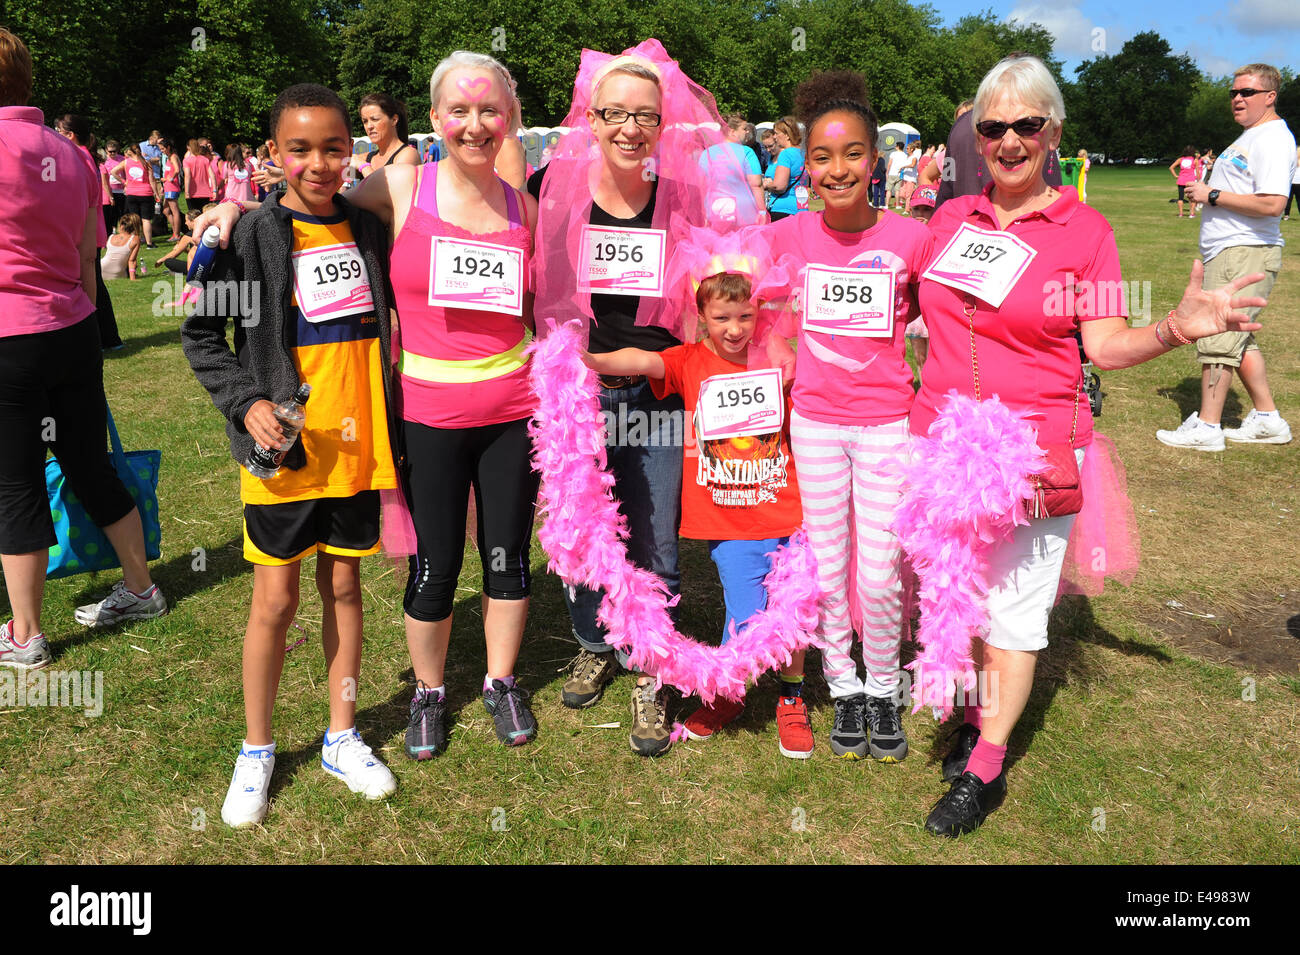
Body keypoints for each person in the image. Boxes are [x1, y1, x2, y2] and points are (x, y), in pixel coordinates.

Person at [912, 54, 1270, 836]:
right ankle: (975, 719)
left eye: (1026, 125)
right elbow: (897, 295)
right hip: (940, 450)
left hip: (1035, 450)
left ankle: (985, 767)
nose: (1008, 141)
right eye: (993, 126)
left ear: (1054, 132)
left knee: (1014, 614)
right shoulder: (949, 220)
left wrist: (1177, 329)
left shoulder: (1088, 232)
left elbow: (1103, 344)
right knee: (961, 604)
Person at [194, 51, 545, 760]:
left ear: (507, 120)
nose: (474, 124)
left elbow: (546, 307)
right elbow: (299, 214)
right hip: (400, 416)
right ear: (437, 116)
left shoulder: (525, 208)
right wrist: (233, 205)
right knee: (420, 564)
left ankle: (489, 685)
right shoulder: (398, 190)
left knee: (493, 557)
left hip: (486, 413)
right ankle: (413, 695)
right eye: (459, 109)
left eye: (489, 111)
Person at [529, 39, 760, 757]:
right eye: (615, 114)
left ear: (663, 126)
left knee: (656, 538)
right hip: (578, 398)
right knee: (584, 532)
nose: (630, 128)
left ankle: (652, 668)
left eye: (645, 117)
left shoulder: (683, 200)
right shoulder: (551, 191)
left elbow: (739, 269)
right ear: (590, 120)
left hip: (656, 392)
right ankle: (595, 640)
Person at [181, 83, 401, 828]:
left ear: (353, 150)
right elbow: (202, 335)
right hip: (284, 455)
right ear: (273, 153)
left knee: (344, 591)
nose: (318, 162)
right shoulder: (252, 235)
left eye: (334, 147)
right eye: (299, 148)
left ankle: (341, 735)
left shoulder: (369, 227)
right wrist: (248, 402)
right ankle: (257, 747)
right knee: (274, 601)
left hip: (358, 450)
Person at [763, 70, 932, 763]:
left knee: (881, 569)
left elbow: (934, 319)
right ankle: (845, 683)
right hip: (815, 424)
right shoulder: (786, 238)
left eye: (853, 153)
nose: (838, 169)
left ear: (876, 159)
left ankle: (886, 684)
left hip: (889, 420)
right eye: (823, 156)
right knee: (828, 565)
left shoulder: (911, 240)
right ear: (806, 164)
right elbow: (757, 317)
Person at [583, 260, 810, 756]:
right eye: (722, 317)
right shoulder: (687, 360)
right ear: (701, 315)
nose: (734, 329)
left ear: (761, 316)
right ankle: (730, 690)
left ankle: (791, 698)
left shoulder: (778, 360)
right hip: (728, 519)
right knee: (749, 614)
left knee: (795, 610)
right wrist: (584, 361)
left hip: (786, 507)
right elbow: (641, 362)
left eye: (745, 318)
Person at [0, 27, 166, 671]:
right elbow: (85, 259)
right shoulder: (71, 155)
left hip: (12, 337)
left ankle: (24, 633)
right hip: (71, 328)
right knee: (87, 461)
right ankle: (141, 587)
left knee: (15, 481)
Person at [1158, 63, 1295, 450]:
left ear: (1270, 97)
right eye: (1234, 92)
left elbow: (1272, 203)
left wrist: (1211, 195)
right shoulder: (1254, 136)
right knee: (1236, 333)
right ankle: (1268, 419)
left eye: (1247, 92)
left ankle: (1208, 426)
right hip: (1233, 250)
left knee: (1217, 332)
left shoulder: (1270, 138)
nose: (1237, 98)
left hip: (1243, 252)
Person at [55, 114, 122, 350]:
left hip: (86, 231)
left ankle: (101, 338)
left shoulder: (77, 157)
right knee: (94, 282)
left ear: (70, 135)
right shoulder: (85, 157)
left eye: (58, 131)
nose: (54, 135)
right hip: (90, 230)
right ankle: (108, 338)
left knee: (90, 283)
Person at [934, 94, 1060, 210]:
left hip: (962, 225)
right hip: (1030, 222)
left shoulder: (959, 127)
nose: (1010, 143)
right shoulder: (1037, 125)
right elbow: (1051, 187)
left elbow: (947, 186)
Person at [358, 92, 419, 175]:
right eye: (365, 121)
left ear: (394, 120)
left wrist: (363, 167)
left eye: (375, 119)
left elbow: (389, 188)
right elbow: (345, 176)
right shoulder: (366, 158)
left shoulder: (408, 155)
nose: (369, 126)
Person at [762, 116, 806, 220]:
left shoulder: (785, 154)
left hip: (783, 210)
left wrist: (766, 184)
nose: (775, 137)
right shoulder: (803, 153)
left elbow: (779, 186)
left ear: (787, 135)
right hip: (801, 208)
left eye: (777, 133)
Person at [100, 213, 143, 279]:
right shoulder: (135, 239)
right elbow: (132, 261)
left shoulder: (111, 237)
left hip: (101, 269)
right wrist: (133, 279)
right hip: (117, 273)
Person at [159, 138, 184, 239]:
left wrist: (170, 178)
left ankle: (176, 234)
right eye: (160, 149)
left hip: (172, 187)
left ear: (168, 147)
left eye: (162, 149)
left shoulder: (173, 157)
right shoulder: (169, 158)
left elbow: (177, 170)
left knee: (174, 211)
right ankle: (175, 231)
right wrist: (163, 186)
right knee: (165, 210)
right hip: (168, 187)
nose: (162, 151)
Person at [102, 138, 126, 234]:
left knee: (122, 212)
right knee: (112, 213)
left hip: (121, 190)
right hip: (110, 190)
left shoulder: (123, 159)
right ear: (106, 151)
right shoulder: (104, 161)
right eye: (110, 152)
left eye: (114, 151)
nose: (112, 154)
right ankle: (113, 230)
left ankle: (123, 230)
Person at [184, 138, 214, 208]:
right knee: (205, 215)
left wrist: (187, 192)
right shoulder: (205, 159)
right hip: (205, 193)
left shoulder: (186, 160)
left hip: (192, 193)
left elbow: (187, 176)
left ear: (188, 147)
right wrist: (214, 190)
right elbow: (212, 175)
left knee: (194, 215)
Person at [1170, 145, 1199, 218]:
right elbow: (1198, 173)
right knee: (1192, 198)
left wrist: (1175, 176)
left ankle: (1180, 214)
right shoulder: (1195, 160)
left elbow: (1171, 168)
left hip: (1181, 180)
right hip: (1191, 181)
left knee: (1180, 198)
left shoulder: (1180, 159)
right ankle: (1191, 214)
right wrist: (1198, 180)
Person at [885, 142, 908, 209]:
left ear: (897, 146)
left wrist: (887, 172)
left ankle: (886, 205)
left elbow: (889, 163)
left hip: (892, 173)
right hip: (899, 174)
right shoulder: (905, 155)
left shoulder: (893, 153)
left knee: (889, 190)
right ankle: (897, 205)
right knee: (897, 190)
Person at [1286, 146, 1300, 219]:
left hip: (1291, 182)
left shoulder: (1292, 160)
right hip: (1298, 183)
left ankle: (1286, 215)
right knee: (1299, 200)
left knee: (1289, 199)